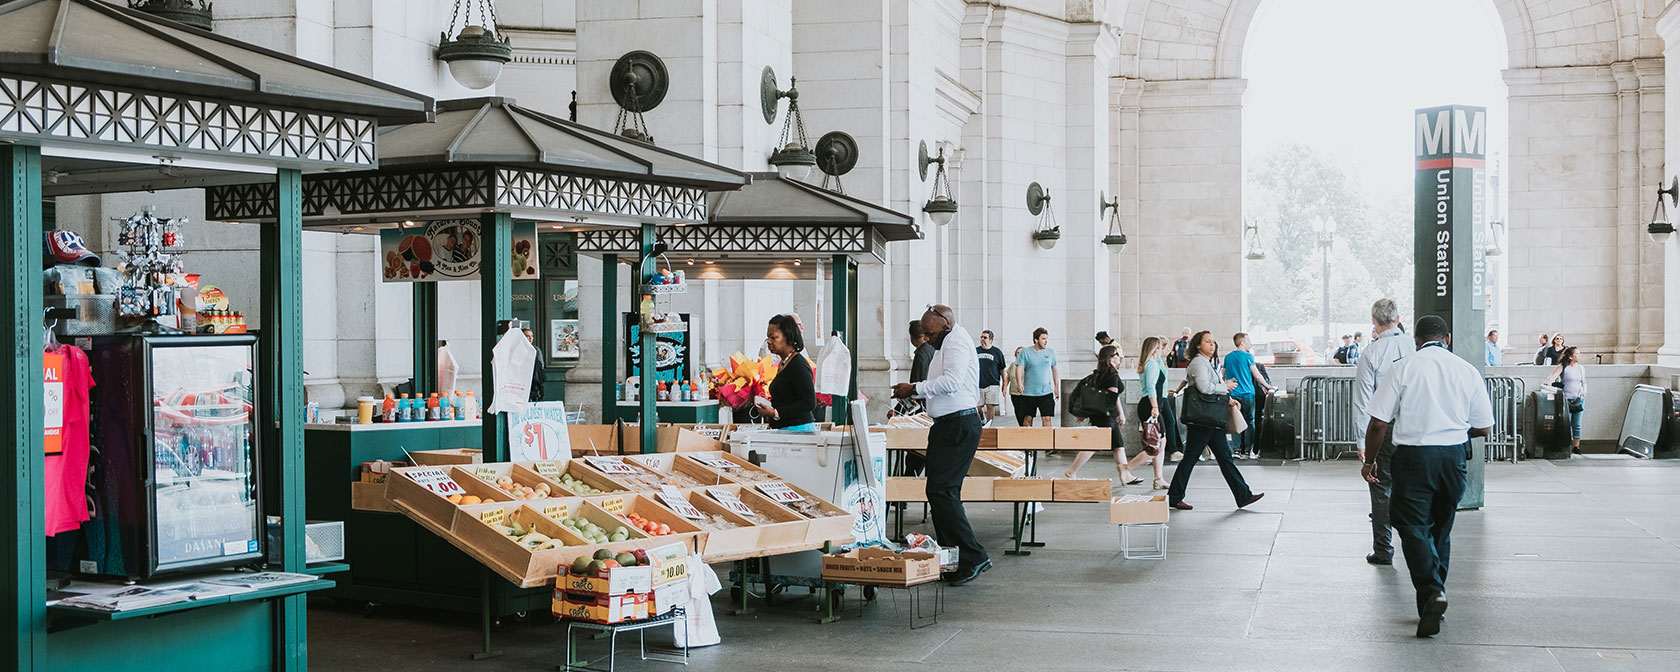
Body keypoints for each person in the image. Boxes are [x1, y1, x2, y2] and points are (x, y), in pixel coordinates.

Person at [1362, 315, 1495, 638]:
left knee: (1410, 525)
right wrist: (1453, 426)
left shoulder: (1404, 367)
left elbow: (1379, 423)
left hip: (1414, 458)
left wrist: (1370, 462)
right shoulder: (1467, 371)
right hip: (1453, 458)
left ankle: (1433, 590)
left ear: (1417, 340)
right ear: (1447, 338)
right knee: (1441, 528)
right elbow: (1484, 427)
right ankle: (1433, 600)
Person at [891, 305, 990, 585]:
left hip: (958, 425)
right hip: (947, 425)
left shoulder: (956, 342)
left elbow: (951, 382)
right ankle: (954, 558)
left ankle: (972, 556)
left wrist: (915, 388)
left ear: (946, 325)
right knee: (939, 492)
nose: (928, 339)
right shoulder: (946, 342)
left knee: (942, 491)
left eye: (931, 334)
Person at [1166, 330, 1264, 511]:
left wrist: (1228, 398)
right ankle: (1174, 496)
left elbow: (1212, 388)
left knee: (1224, 458)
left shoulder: (1206, 363)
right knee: (1191, 458)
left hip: (1210, 419)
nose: (1212, 344)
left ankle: (1243, 495)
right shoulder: (1198, 363)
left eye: (1213, 341)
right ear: (1198, 345)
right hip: (1203, 420)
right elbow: (1204, 387)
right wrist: (1224, 387)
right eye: (1208, 341)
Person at [1352, 298, 1415, 567]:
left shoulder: (1371, 353)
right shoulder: (1414, 346)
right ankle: (1416, 546)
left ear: (1374, 322)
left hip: (1384, 429)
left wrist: (1362, 442)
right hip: (1415, 427)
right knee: (1413, 488)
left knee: (1380, 487)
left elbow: (1363, 402)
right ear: (1398, 318)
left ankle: (1383, 549)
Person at [1064, 345, 1138, 483]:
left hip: (1102, 415)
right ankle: (1071, 471)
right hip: (1107, 417)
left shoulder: (1098, 374)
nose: (1119, 357)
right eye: (1116, 354)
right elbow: (1112, 398)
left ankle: (1126, 475)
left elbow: (1096, 397)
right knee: (1094, 444)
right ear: (1110, 358)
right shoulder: (1112, 375)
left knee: (1118, 445)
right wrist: (1121, 414)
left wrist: (1085, 413)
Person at [757, 315, 817, 431]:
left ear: (788, 338)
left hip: (798, 430)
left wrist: (775, 412)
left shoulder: (799, 365)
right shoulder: (784, 363)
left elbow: (809, 403)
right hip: (784, 429)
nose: (769, 342)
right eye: (768, 338)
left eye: (774, 338)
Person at [1223, 333, 1273, 460]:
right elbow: (1256, 374)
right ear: (1242, 343)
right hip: (1247, 393)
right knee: (1250, 422)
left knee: (1235, 421)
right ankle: (1248, 450)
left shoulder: (1228, 357)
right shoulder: (1248, 356)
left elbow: (1222, 374)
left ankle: (1236, 449)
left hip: (1233, 393)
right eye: (1248, 341)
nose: (1250, 343)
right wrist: (1267, 385)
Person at [1131, 336, 1171, 489]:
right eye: (1160, 348)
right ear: (1155, 349)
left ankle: (1158, 478)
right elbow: (1151, 387)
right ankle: (1127, 468)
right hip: (1150, 405)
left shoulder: (1149, 363)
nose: (1162, 351)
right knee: (1156, 443)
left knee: (1160, 441)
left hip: (1150, 404)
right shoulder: (1152, 364)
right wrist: (1155, 407)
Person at [1543, 345, 1587, 454]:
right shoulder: (1562, 367)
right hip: (1566, 399)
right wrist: (1551, 386)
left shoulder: (1581, 368)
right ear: (1571, 356)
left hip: (1578, 398)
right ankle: (1564, 445)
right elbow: (1550, 379)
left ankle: (1576, 446)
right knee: (1565, 424)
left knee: (1576, 424)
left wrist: (1584, 391)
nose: (1579, 356)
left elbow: (1584, 382)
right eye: (1577, 354)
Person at [1015, 327, 1059, 427]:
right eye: (1043, 339)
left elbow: (1054, 369)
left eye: (1046, 339)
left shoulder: (1050, 352)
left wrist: (1056, 387)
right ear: (1036, 340)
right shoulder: (1025, 352)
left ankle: (1047, 440)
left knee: (1047, 418)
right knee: (1028, 418)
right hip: (1029, 392)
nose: (1046, 341)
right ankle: (1027, 440)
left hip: (1046, 391)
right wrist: (1019, 383)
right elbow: (1019, 368)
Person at [976, 330, 1007, 422]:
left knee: (990, 406)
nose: (982, 339)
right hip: (978, 383)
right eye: (981, 337)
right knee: (978, 406)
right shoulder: (976, 351)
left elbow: (1002, 369)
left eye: (985, 337)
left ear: (990, 340)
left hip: (992, 383)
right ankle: (982, 419)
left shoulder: (997, 352)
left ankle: (990, 424)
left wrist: (1004, 385)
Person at [522, 328, 545, 401]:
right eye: (527, 336)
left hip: (533, 381)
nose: (530, 338)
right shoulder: (517, 349)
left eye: (531, 336)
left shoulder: (536, 350)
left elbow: (541, 366)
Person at [1004, 346, 1026, 421]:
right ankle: (1021, 426)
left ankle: (1026, 427)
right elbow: (1008, 377)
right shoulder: (1012, 365)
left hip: (1025, 393)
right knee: (1018, 411)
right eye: (1018, 353)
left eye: (1021, 353)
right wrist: (1004, 388)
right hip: (1014, 392)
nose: (1020, 354)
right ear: (1015, 354)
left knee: (1025, 411)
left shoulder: (1027, 365)